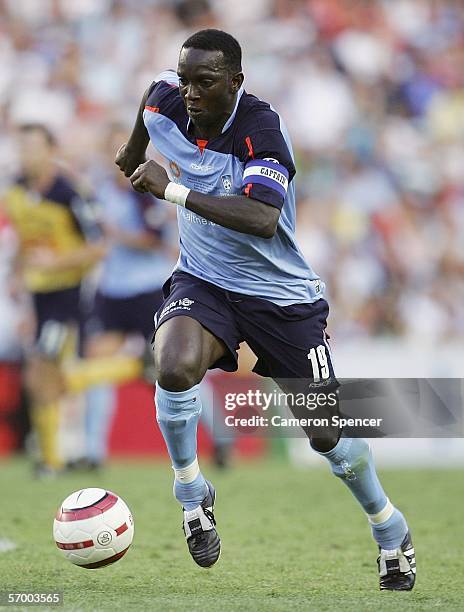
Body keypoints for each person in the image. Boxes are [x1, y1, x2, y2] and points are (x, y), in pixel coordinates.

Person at [116, 29, 415, 590]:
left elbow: (261, 219)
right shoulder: (167, 100)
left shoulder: (260, 131)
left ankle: (388, 526)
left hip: (282, 298)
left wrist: (170, 192)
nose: (192, 94)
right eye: (186, 81)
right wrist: (133, 148)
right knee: (174, 364)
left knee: (326, 434)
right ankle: (191, 493)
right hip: (205, 279)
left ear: (236, 81)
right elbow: (151, 96)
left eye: (205, 83)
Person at [1, 123, 106, 477]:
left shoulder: (70, 194)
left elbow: (99, 246)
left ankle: (52, 459)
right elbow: (23, 242)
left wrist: (56, 262)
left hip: (67, 296)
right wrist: (17, 277)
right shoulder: (15, 191)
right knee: (44, 375)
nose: (27, 154)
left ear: (51, 151)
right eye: (23, 147)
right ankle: (51, 457)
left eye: (34, 147)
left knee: (43, 371)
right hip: (37, 296)